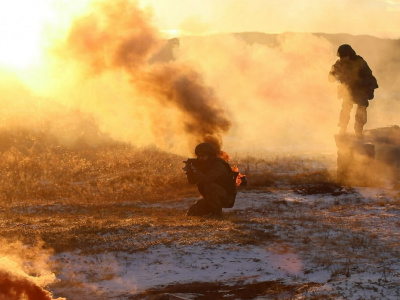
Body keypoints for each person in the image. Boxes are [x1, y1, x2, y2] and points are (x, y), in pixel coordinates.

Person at [329, 44, 378, 138]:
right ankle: (342, 129)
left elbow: (369, 76)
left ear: (349, 55)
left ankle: (358, 131)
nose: (342, 59)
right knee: (346, 108)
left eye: (344, 56)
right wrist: (335, 75)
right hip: (348, 90)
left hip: (361, 89)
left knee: (361, 109)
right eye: (341, 57)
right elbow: (330, 78)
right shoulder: (339, 64)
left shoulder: (359, 62)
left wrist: (361, 83)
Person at [183, 142, 237, 217]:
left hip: (226, 197)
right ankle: (211, 213)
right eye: (198, 156)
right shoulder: (203, 165)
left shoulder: (218, 165)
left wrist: (196, 171)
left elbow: (207, 179)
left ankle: (217, 215)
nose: (200, 158)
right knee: (193, 211)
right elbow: (192, 181)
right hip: (212, 197)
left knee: (210, 186)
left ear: (210, 155)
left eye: (203, 156)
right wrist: (190, 172)